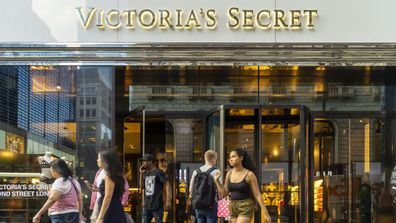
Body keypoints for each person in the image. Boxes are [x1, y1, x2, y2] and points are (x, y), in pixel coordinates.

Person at [214, 148, 271, 223]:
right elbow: (224, 193)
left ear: (241, 158)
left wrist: (266, 213)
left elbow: (257, 195)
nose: (230, 159)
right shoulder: (229, 174)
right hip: (232, 206)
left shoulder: (249, 174)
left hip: (245, 205)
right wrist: (217, 181)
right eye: (230, 157)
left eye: (233, 157)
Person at [32, 159, 84, 223]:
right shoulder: (74, 181)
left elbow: (52, 199)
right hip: (74, 214)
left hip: (60, 215)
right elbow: (80, 199)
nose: (51, 173)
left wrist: (39, 214)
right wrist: (80, 213)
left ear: (56, 170)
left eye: (51, 170)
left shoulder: (60, 181)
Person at [189, 150, 222, 223]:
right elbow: (220, 190)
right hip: (211, 204)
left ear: (205, 158)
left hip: (198, 204)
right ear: (213, 159)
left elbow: (191, 190)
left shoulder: (196, 172)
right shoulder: (216, 172)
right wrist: (220, 201)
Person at [95, 150, 127, 223]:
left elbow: (108, 196)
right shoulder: (115, 174)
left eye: (99, 158)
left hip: (110, 210)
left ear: (105, 160)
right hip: (113, 208)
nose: (97, 160)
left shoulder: (110, 175)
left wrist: (100, 217)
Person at [140, 154, 172, 223]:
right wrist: (141, 174)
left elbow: (167, 185)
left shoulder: (159, 172)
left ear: (150, 162)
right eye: (143, 161)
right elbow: (142, 187)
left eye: (145, 161)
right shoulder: (146, 173)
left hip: (157, 206)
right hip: (147, 206)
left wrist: (168, 199)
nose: (143, 163)